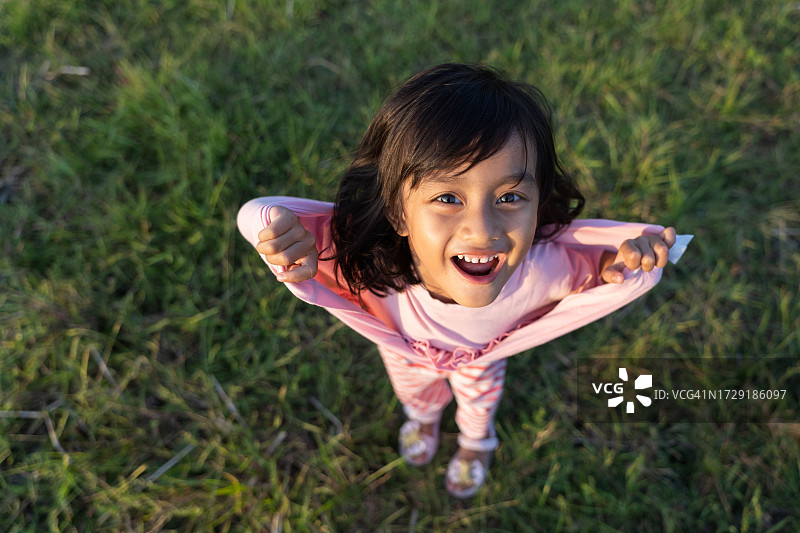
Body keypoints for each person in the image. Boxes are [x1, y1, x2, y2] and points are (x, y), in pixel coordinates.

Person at [237, 63, 678, 498]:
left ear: (538, 204)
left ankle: (475, 443)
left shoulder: (542, 270)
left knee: (480, 403)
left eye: (510, 197)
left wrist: (622, 264)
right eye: (448, 197)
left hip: (481, 361)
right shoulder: (371, 263)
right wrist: (277, 233)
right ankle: (423, 419)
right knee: (414, 391)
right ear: (398, 213)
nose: (482, 229)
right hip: (404, 355)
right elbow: (255, 212)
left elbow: (595, 272)